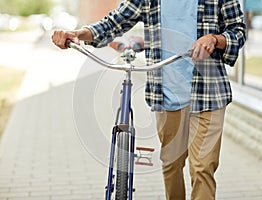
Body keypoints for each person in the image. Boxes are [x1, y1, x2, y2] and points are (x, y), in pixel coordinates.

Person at [52, 0, 246, 199]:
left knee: (202, 168)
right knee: (171, 165)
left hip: (209, 95)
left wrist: (215, 39)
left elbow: (238, 31)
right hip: (167, 96)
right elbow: (113, 23)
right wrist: (77, 34)